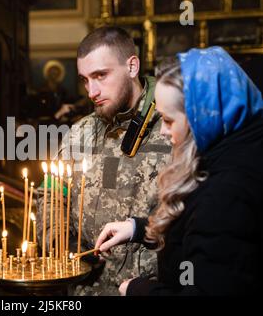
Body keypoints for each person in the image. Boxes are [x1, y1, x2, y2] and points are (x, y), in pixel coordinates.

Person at [95, 46, 263, 295]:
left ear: (201, 117)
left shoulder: (227, 193)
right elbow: (202, 232)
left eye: (169, 120)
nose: (163, 130)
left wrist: (138, 290)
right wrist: (138, 228)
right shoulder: (233, 149)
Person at [36, 26, 171, 295]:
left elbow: (195, 213)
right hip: (83, 290)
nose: (91, 91)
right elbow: (50, 194)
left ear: (132, 66)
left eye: (100, 75)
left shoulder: (172, 126)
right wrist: (61, 240)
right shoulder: (79, 133)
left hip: (144, 289)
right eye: (85, 79)